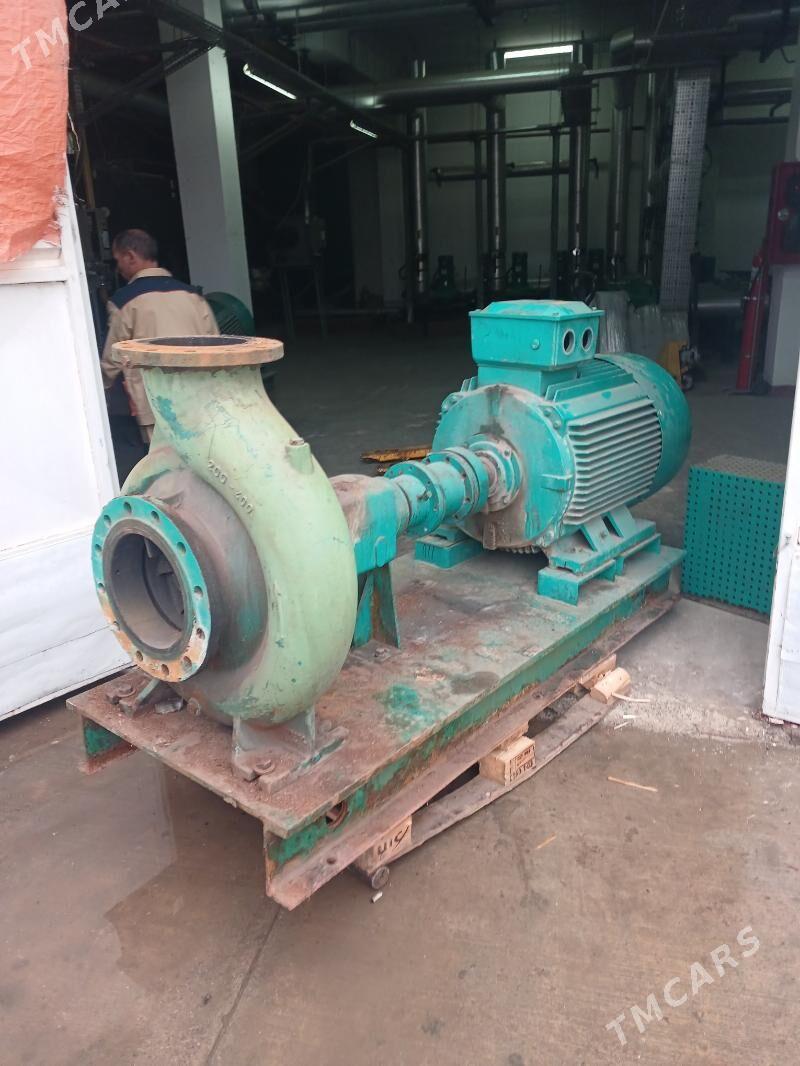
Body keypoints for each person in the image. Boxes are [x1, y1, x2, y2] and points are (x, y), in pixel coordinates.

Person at [100, 229, 219, 442]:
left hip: (154, 404)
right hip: (198, 397)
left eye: (118, 260)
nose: (118, 268)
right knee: (202, 453)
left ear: (130, 256)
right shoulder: (193, 296)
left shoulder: (124, 302)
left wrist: (99, 389)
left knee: (161, 458)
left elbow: (113, 359)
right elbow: (218, 347)